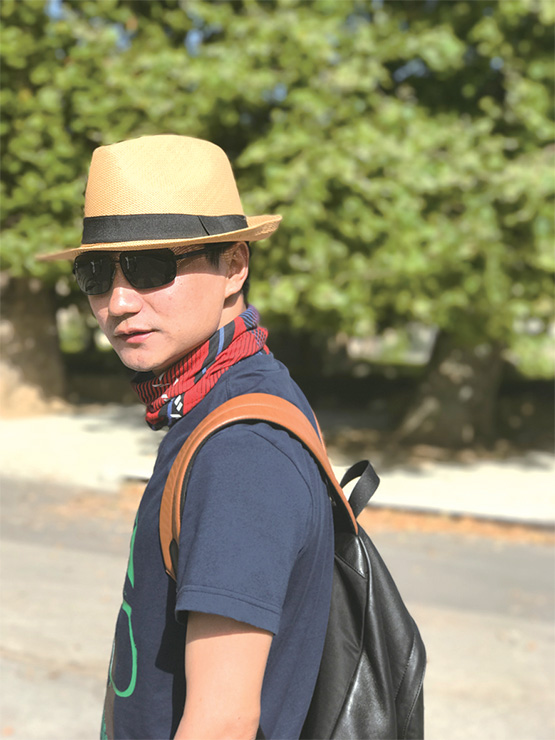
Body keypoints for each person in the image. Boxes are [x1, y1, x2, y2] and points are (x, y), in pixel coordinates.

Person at [40, 134, 334, 740]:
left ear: (234, 266)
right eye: (96, 274)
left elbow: (221, 723)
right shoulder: (219, 404)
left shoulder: (242, 449)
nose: (118, 301)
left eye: (152, 268)